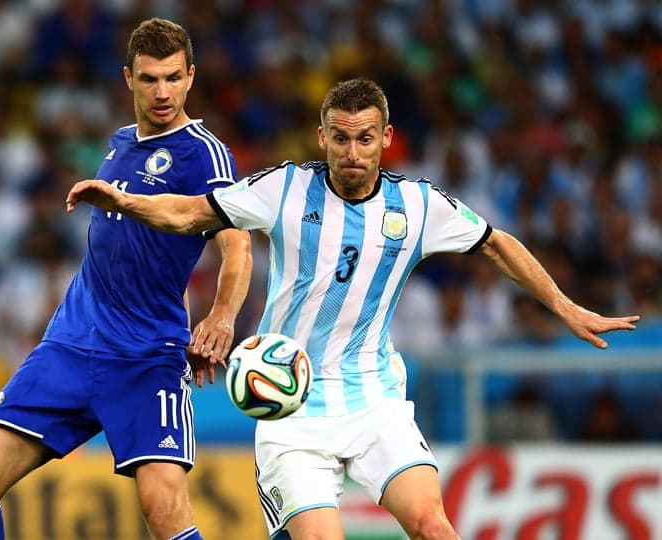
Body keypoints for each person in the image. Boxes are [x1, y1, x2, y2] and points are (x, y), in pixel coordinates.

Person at [66, 78, 639, 540]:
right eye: (340, 138)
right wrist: (125, 201)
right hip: (289, 410)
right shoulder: (284, 190)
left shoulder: (416, 205)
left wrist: (565, 307)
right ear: (322, 138)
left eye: (365, 138)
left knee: (434, 526)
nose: (353, 153)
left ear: (386, 138)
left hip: (374, 401)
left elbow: (495, 241)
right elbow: (190, 213)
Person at [0, 18, 252, 540]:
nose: (163, 92)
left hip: (145, 359)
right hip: (70, 345)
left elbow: (237, 242)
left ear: (192, 77)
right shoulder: (118, 144)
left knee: (163, 511)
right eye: (151, 78)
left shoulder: (204, 153)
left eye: (174, 78)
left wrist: (222, 316)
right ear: (128, 78)